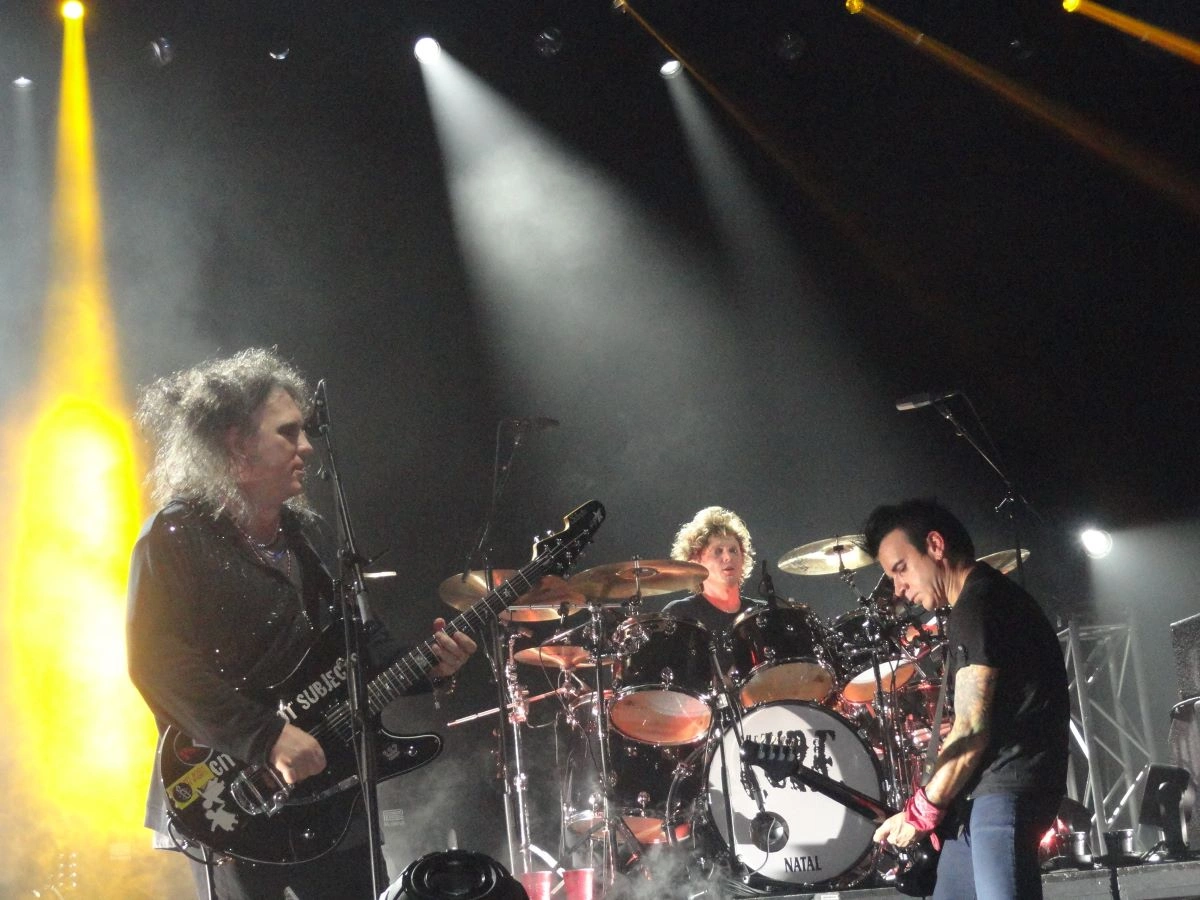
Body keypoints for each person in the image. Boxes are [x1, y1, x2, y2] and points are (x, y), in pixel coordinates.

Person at [126, 348, 477, 900]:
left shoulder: (307, 538)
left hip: (332, 791)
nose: (307, 447)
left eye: (305, 432)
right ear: (237, 445)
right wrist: (264, 737)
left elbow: (359, 651)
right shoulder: (175, 537)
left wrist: (430, 667)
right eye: (288, 433)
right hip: (236, 792)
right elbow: (157, 664)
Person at [864, 499, 1068, 900]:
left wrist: (921, 812)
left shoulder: (979, 603)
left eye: (901, 569)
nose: (898, 588)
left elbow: (972, 730)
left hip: (1003, 791)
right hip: (976, 801)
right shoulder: (979, 602)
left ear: (935, 545)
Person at [661, 506, 764, 636]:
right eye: (718, 551)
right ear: (695, 561)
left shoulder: (762, 614)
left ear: (743, 558)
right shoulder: (680, 614)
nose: (728, 557)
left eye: (733, 550)